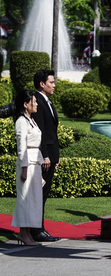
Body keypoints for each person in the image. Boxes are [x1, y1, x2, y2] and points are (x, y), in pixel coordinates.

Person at [30, 69, 61, 242]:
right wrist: (46, 156)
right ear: (42, 84)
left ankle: (38, 228)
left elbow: (52, 131)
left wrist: (55, 156)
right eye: (51, 82)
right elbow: (39, 131)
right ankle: (37, 230)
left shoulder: (46, 101)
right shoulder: (38, 102)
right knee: (39, 194)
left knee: (44, 193)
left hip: (51, 156)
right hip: (45, 157)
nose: (54, 85)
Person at [11, 91, 43, 246]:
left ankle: (27, 233)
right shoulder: (21, 122)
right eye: (34, 101)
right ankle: (23, 234)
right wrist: (24, 168)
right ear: (26, 104)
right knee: (25, 199)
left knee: (33, 200)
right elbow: (21, 146)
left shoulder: (31, 120)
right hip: (27, 165)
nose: (36, 104)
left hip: (35, 163)